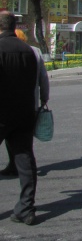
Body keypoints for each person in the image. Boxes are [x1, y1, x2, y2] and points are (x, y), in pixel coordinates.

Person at [0, 12, 38, 225]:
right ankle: (26, 208)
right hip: (24, 112)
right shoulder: (27, 50)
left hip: (2, 112)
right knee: (25, 160)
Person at [1, 30, 50, 177]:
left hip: (6, 105)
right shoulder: (35, 51)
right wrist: (44, 97)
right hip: (29, 104)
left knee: (15, 138)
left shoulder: (4, 49)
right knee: (23, 140)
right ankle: (17, 166)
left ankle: (17, 166)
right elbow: (43, 77)